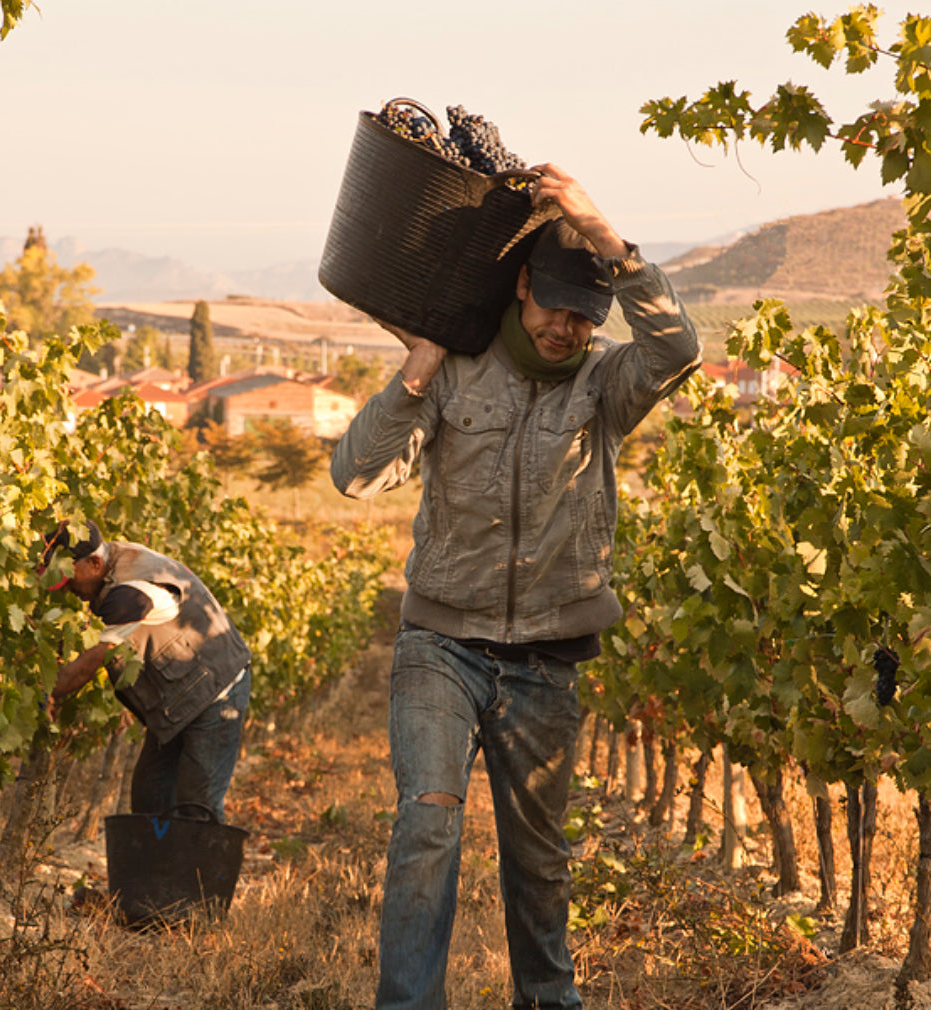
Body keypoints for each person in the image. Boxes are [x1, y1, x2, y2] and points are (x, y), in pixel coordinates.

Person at [330, 164, 702, 1010]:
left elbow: (679, 350)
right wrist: (416, 371)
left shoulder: (607, 385)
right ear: (523, 284)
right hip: (441, 644)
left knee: (538, 863)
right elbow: (353, 477)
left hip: (546, 661)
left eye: (587, 313)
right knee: (427, 822)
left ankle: (549, 1001)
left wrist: (607, 235)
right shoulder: (457, 369)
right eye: (558, 305)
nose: (569, 328)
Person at [40, 520, 251, 823]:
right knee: (150, 796)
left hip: (217, 693)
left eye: (69, 580)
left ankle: (201, 871)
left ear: (95, 562)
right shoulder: (115, 560)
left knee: (197, 806)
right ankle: (157, 869)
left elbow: (84, 668)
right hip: (181, 699)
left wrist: (42, 690)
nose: (69, 590)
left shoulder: (131, 593)